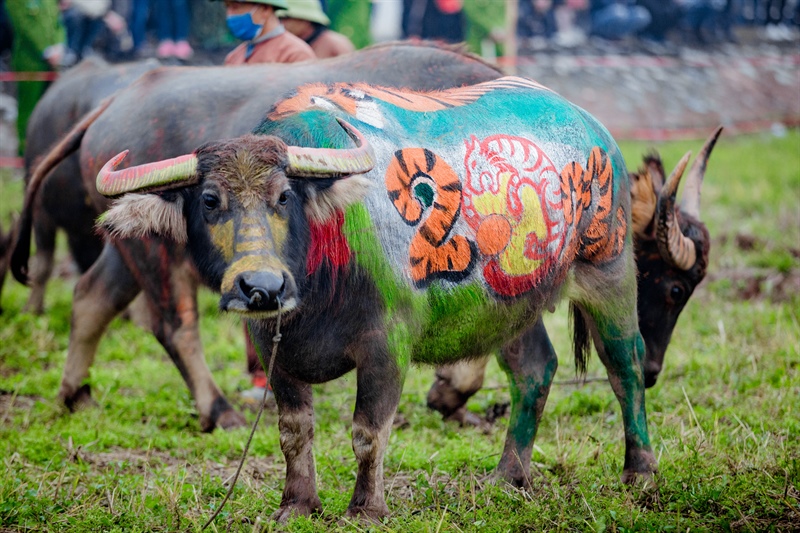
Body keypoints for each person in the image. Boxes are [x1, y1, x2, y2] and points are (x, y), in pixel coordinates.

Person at [215, 0, 316, 402]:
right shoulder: (236, 57)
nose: (232, 13)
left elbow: (306, 120)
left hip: (278, 192)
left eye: (239, 5)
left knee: (282, 279)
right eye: (229, 6)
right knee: (244, 273)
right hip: (239, 191)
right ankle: (261, 377)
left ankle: (289, 376)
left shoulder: (295, 54)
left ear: (264, 8)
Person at [5, 0, 64, 156]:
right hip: (30, 63)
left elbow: (58, 23)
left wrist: (59, 47)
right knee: (28, 109)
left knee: (49, 109)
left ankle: (43, 151)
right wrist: (47, 51)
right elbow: (24, 26)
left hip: (53, 64)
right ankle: (24, 152)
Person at [217, 0, 316, 65]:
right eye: (227, 8)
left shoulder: (295, 54)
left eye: (235, 7)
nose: (229, 15)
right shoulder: (233, 57)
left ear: (265, 9)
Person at [279, 0, 354, 58]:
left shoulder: (335, 44)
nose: (283, 23)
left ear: (304, 19)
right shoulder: (288, 45)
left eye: (286, 18)